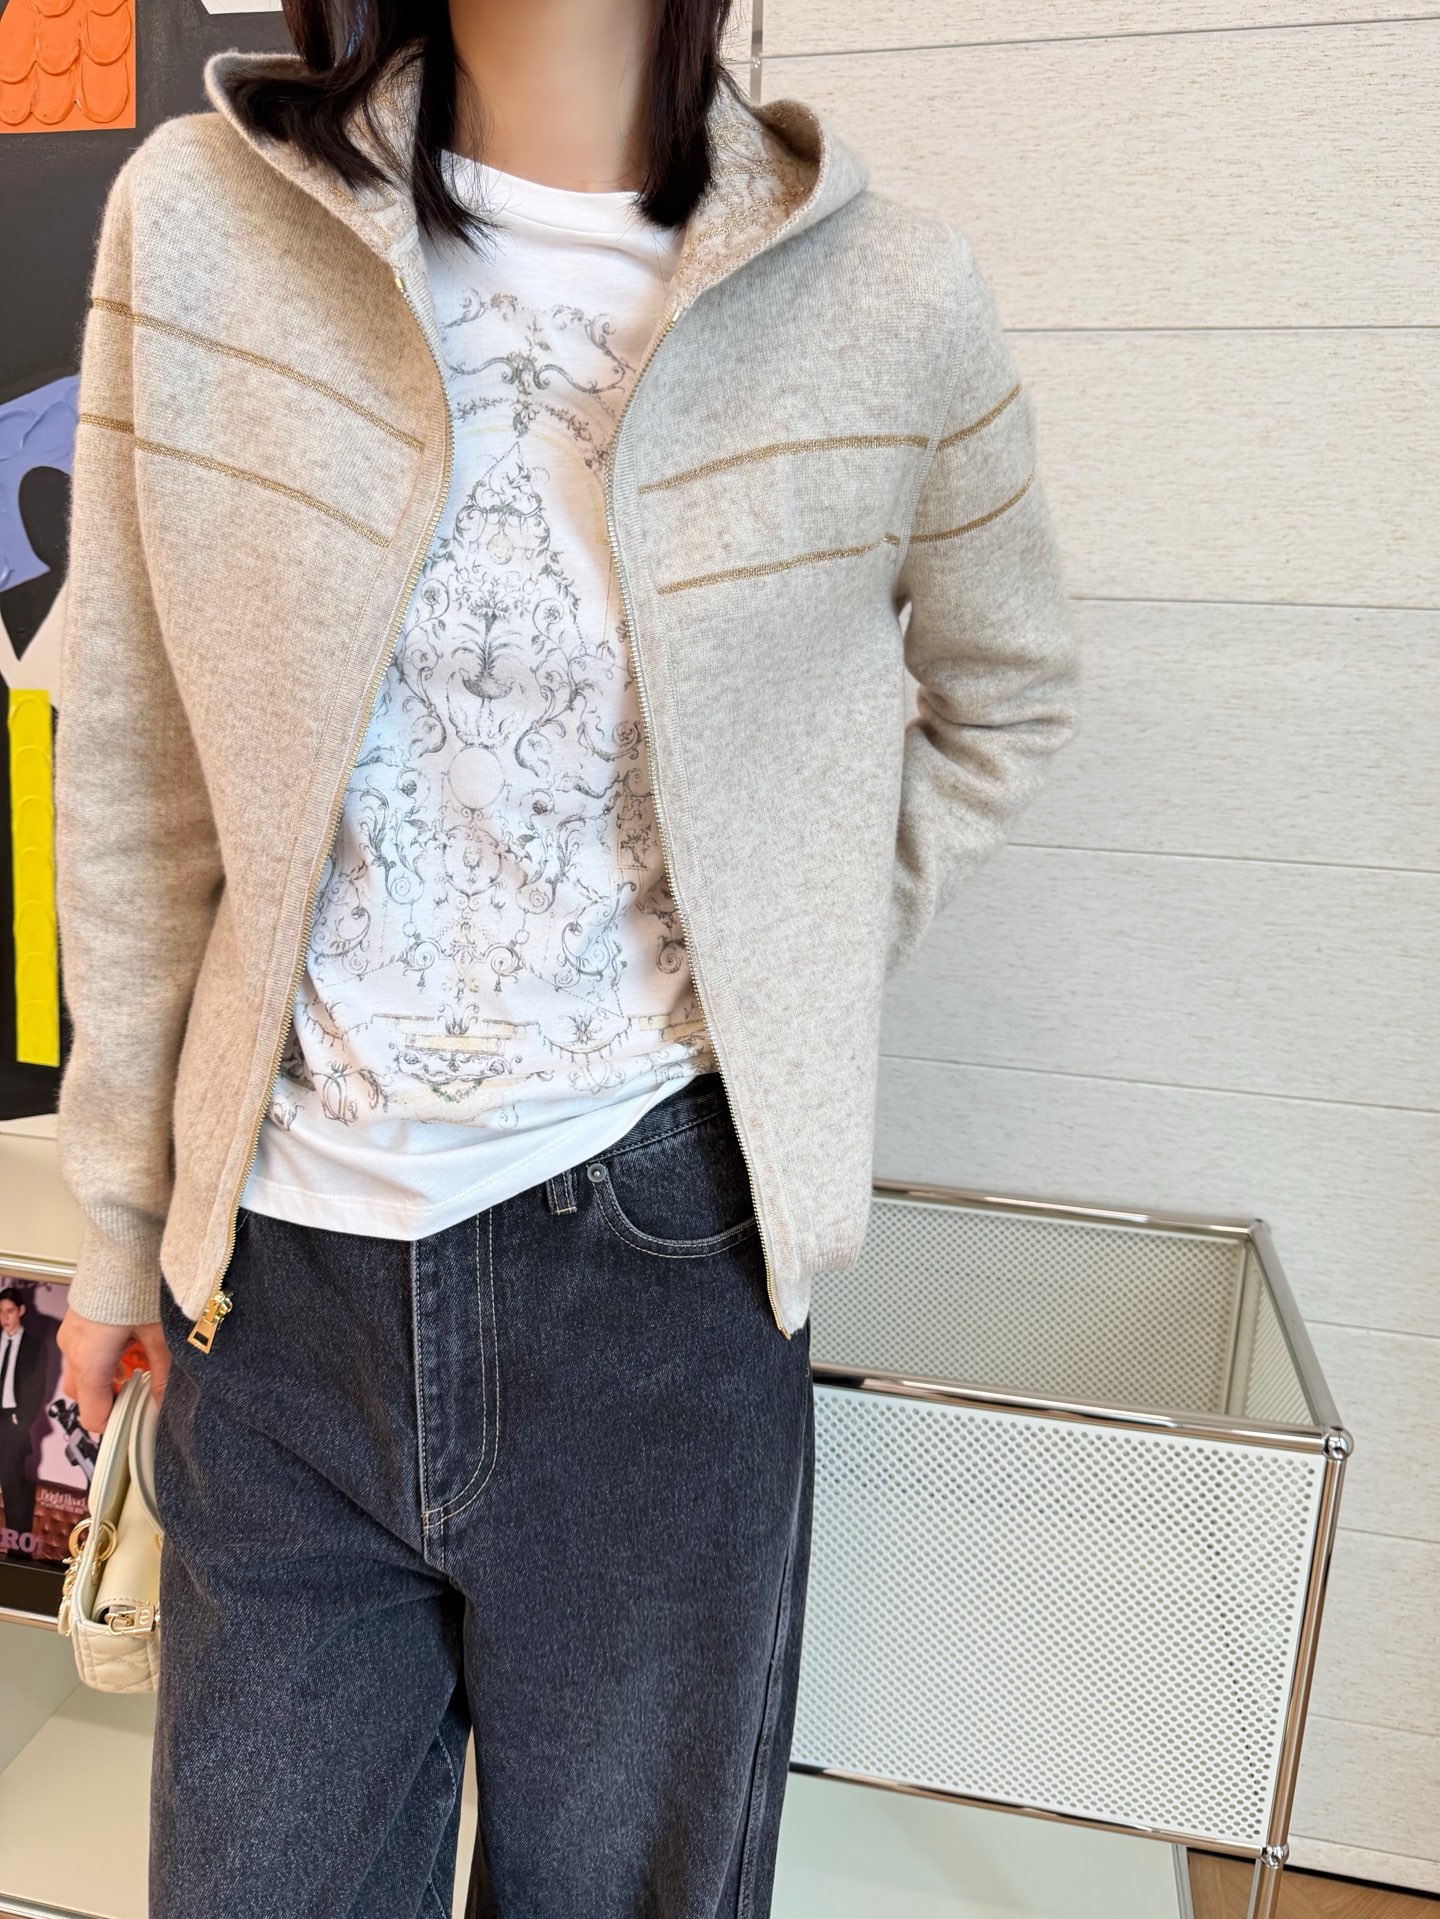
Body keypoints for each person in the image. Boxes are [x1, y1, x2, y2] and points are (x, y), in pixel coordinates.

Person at [48, 0, 1081, 1911]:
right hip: (277, 1289)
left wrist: (792, 958)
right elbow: (130, 745)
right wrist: (120, 1213)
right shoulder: (200, 227)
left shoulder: (888, 296)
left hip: (665, 1277)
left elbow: (1006, 687)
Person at [0, 1286, 48, 1557]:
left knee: (13, 1487)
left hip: (12, 1421)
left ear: (21, 1311)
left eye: (9, 1311)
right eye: (0, 1312)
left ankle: (17, 1554)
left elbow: (38, 1389)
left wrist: (22, 1420)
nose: (4, 1317)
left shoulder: (34, 1347)